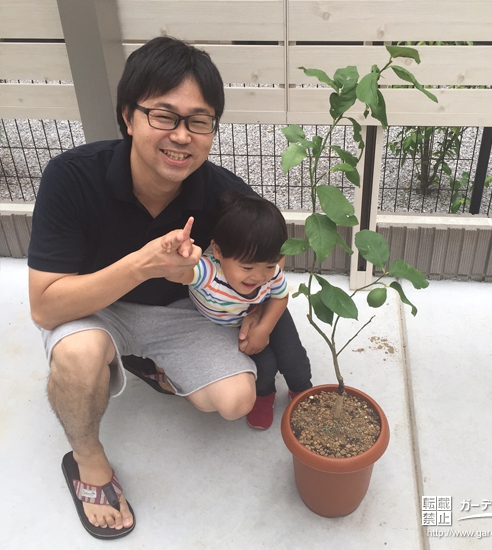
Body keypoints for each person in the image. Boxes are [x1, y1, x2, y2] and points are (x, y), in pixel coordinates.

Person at [27, 36, 310, 540]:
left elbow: (263, 274)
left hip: (182, 314)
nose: (182, 136)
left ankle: (147, 366)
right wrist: (141, 265)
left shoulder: (227, 198)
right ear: (128, 116)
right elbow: (46, 307)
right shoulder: (71, 178)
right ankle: (88, 461)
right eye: (164, 115)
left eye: (199, 121)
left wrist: (255, 315)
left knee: (235, 401)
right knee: (78, 355)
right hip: (98, 307)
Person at [162, 190, 312, 429]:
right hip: (231, 325)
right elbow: (176, 274)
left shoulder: (269, 273)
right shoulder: (209, 272)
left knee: (293, 357)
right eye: (247, 267)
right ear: (218, 251)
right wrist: (175, 255)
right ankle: (264, 396)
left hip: (269, 312)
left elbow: (280, 296)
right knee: (263, 364)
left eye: (269, 265)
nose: (258, 276)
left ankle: (303, 391)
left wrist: (264, 328)